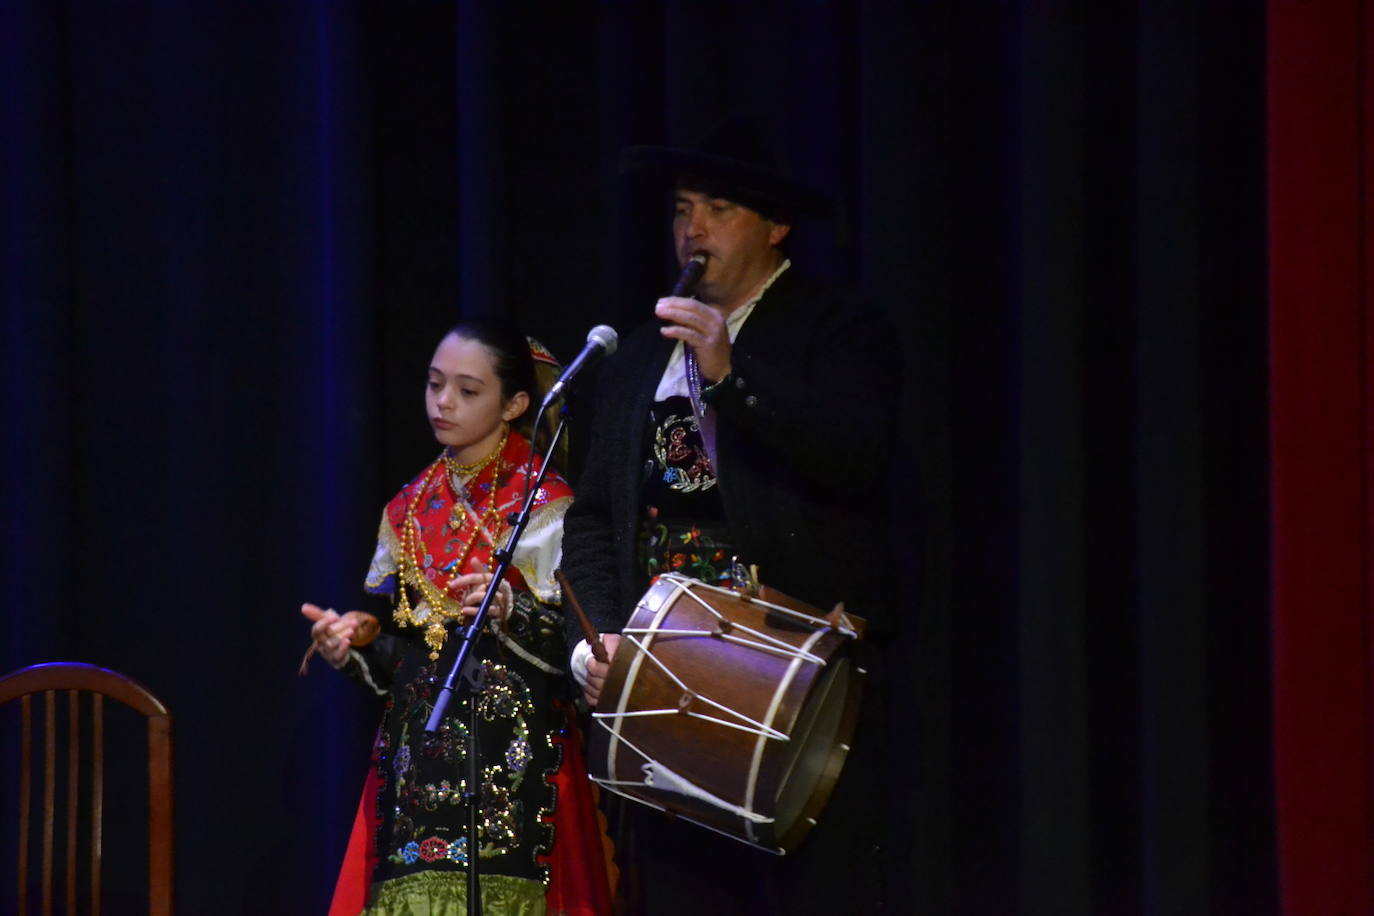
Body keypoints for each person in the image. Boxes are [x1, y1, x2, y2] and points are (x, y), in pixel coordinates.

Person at [560, 121, 902, 913]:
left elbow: (854, 458)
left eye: (718, 208)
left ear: (776, 227)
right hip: (665, 668)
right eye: (683, 208)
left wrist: (729, 374)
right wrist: (598, 638)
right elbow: (595, 517)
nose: (693, 228)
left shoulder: (838, 329)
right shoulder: (642, 353)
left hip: (787, 664)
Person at [303, 319, 610, 916]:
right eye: (435, 384)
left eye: (467, 391)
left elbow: (577, 654)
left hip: (514, 766)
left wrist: (510, 609)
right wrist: (354, 647)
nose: (443, 402)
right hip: (421, 765)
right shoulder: (409, 507)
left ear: (515, 403)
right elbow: (411, 661)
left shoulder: (544, 504)